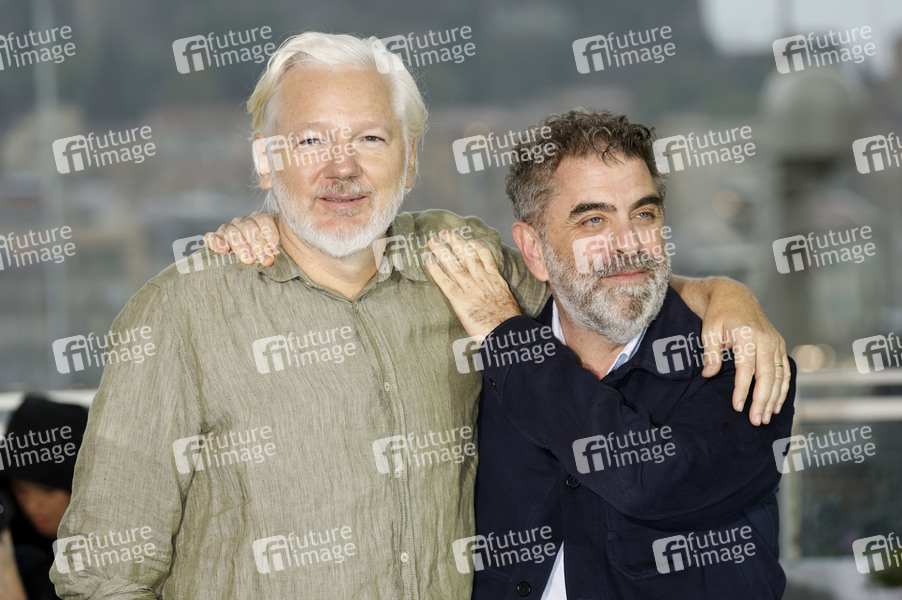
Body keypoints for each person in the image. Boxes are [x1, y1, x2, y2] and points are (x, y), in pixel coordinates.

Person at [54, 33, 787, 599]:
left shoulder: (465, 267)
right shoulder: (180, 315)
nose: (342, 167)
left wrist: (724, 295)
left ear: (409, 162)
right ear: (266, 162)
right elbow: (101, 575)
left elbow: (601, 281)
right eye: (310, 140)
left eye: (370, 138)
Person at [423, 109, 795, 599]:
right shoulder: (484, 368)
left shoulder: (741, 362)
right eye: (594, 220)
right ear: (534, 251)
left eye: (644, 214)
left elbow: (651, 482)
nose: (629, 244)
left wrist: (505, 335)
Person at [0, 393, 88, 600]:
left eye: (47, 490)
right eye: (21, 490)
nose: (32, 506)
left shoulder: (118, 552)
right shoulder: (18, 546)